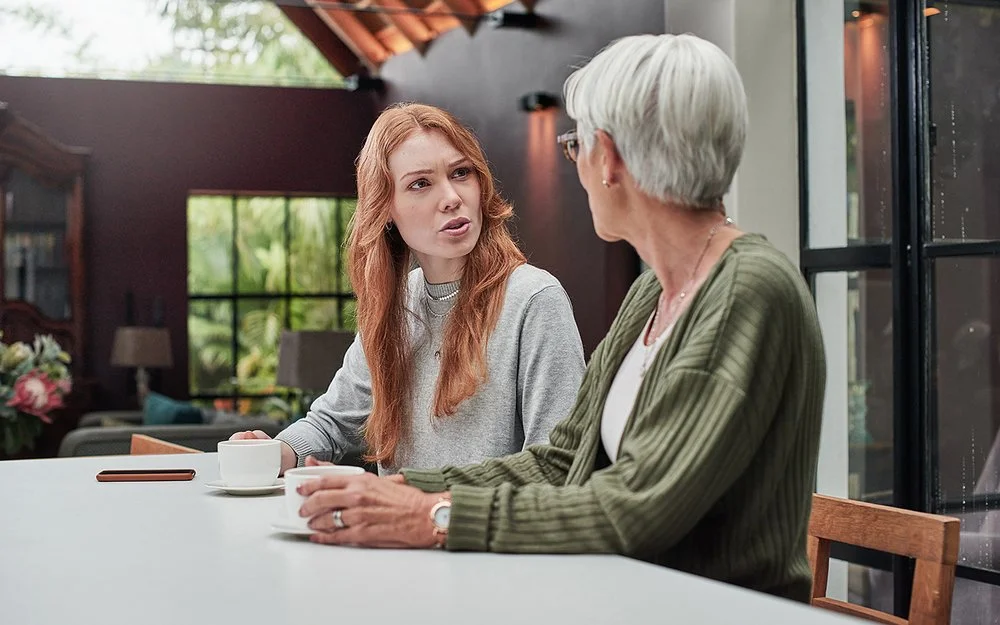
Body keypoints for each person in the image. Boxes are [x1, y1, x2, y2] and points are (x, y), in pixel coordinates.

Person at [293, 34, 826, 601]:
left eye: (576, 146)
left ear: (612, 159)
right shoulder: (654, 293)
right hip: (629, 598)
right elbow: (563, 459)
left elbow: (635, 508)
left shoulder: (747, 293)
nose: (575, 165)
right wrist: (406, 490)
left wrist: (435, 516)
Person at [233, 103, 586, 475]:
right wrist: (277, 450)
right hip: (389, 533)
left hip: (476, 531)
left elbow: (557, 467)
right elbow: (331, 423)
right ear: (385, 207)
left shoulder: (534, 299)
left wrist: (427, 509)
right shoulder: (398, 304)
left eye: (461, 173)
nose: (451, 197)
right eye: (421, 183)